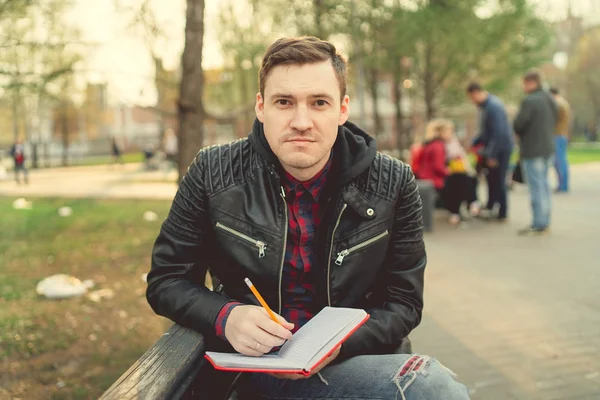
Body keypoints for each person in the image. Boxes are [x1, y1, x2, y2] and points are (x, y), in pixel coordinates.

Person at [146, 36, 469, 399]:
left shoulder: (393, 182)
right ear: (261, 106)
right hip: (249, 367)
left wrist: (341, 343)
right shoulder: (212, 172)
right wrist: (226, 316)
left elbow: (404, 303)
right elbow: (166, 280)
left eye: (319, 103)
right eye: (284, 102)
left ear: (342, 109)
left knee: (428, 385)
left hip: (352, 363)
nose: (302, 121)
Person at [513, 69, 557, 235]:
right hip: (547, 148)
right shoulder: (549, 98)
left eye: (524, 83)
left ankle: (538, 223)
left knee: (536, 187)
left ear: (531, 82)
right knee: (544, 186)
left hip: (532, 149)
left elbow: (519, 124)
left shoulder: (529, 101)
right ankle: (544, 221)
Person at [466, 82, 514, 222]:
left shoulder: (493, 107)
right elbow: (484, 132)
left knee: (499, 180)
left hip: (500, 150)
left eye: (471, 98)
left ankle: (502, 212)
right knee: (492, 180)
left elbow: (498, 133)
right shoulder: (487, 107)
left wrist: (492, 155)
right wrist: (474, 142)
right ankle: (492, 207)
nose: (472, 101)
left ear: (476, 93)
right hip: (495, 149)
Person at [416, 120, 478, 225]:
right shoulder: (438, 146)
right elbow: (438, 167)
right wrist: (448, 171)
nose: (451, 134)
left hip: (426, 177)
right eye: (449, 132)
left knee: (463, 178)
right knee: (460, 179)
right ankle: (464, 208)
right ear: (441, 133)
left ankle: (466, 207)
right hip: (433, 179)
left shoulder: (431, 143)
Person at [549, 87, 571, 193]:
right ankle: (563, 185)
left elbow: (553, 119)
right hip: (562, 135)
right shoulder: (563, 103)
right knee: (562, 160)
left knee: (559, 161)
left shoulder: (558, 104)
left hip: (558, 135)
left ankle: (562, 186)